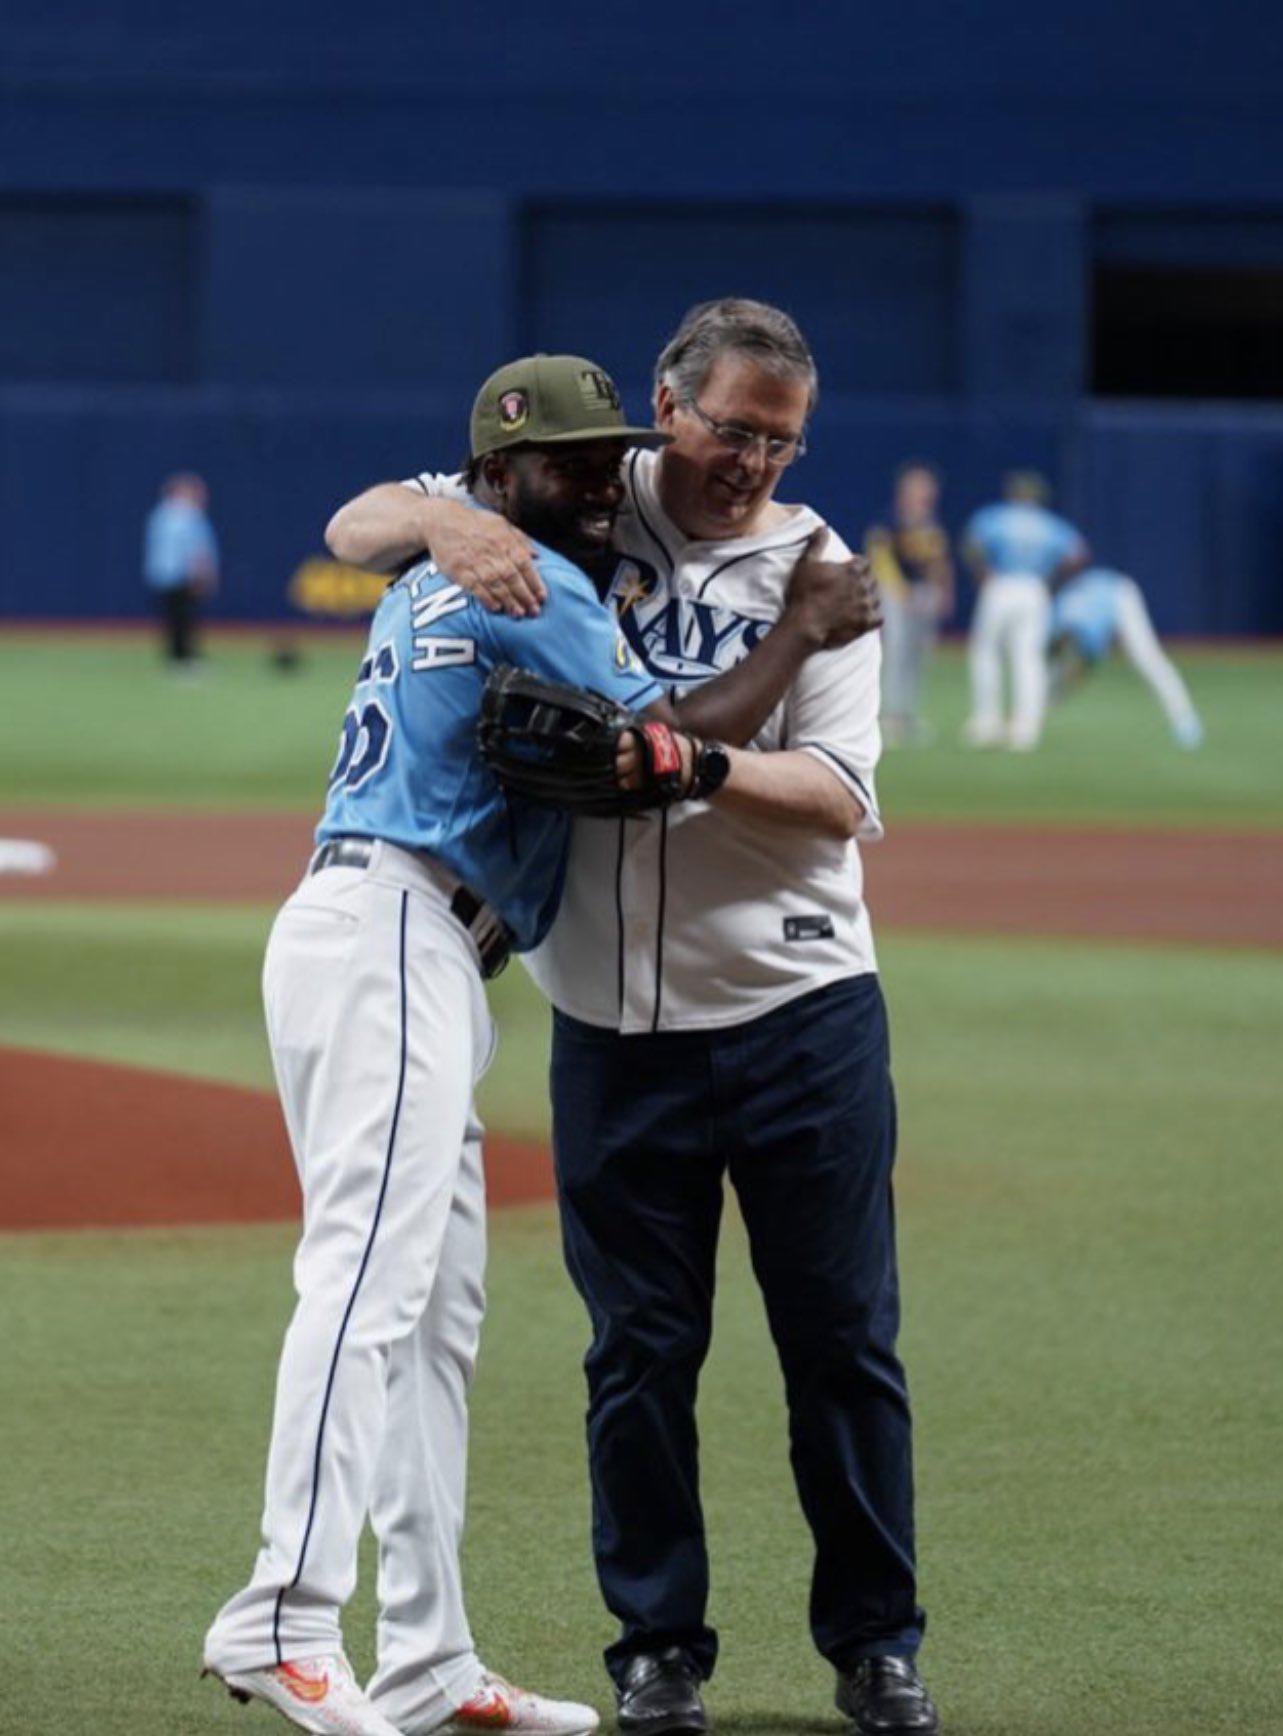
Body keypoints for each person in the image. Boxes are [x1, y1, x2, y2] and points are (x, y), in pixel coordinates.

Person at [205, 348, 874, 1736]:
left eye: (595, 458)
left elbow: (369, 520)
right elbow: (674, 744)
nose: (588, 481)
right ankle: (281, 1610)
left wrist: (446, 518)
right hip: (393, 930)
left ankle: (430, 1657)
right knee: (369, 1285)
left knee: (438, 1317)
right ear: (496, 478)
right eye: (560, 464)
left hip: (397, 936)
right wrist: (802, 627)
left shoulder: (441, 558)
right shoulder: (544, 582)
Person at [961, 470, 1088, 751]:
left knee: (985, 652)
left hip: (1001, 584)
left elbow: (972, 543)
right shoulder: (1051, 524)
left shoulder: (995, 516)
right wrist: (1053, 580)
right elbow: (1078, 554)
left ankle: (987, 722)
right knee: (1028, 659)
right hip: (1034, 587)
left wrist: (982, 573)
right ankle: (1025, 729)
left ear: (1013, 493)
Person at [1049, 565, 1205, 747]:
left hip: (1121, 595)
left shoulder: (1083, 628)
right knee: (1057, 674)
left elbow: (1084, 666)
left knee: (1146, 659)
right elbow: (1061, 657)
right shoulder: (1058, 613)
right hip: (1099, 592)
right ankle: (1039, 707)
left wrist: (1059, 692)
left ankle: (1186, 720)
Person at [865, 462, 953, 744]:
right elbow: (880, 560)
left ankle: (907, 713)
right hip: (895, 594)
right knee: (894, 652)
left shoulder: (929, 523)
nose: (926, 494)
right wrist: (901, 594)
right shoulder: (889, 520)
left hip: (923, 593)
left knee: (918, 654)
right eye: (920, 487)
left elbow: (938, 561)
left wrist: (942, 591)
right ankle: (886, 714)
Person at [142, 472, 218, 666]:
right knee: (183, 617)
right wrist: (201, 574)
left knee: (176, 617)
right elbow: (195, 549)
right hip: (182, 574)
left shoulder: (160, 514)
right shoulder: (187, 515)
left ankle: (179, 655)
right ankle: (183, 657)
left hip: (164, 574)